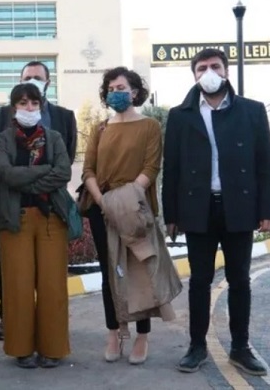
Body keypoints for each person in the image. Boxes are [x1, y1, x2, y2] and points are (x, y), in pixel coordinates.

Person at [162, 48, 270, 376]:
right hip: (197, 207)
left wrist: (268, 209)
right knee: (199, 281)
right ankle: (196, 346)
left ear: (226, 71)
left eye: (215, 66)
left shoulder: (251, 110)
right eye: (202, 68)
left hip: (238, 206)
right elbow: (172, 168)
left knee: (240, 279)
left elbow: (265, 163)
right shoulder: (180, 115)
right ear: (194, 75)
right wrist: (171, 216)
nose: (209, 72)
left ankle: (240, 347)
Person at [82, 66, 162, 365]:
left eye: (121, 88)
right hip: (102, 208)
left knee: (138, 272)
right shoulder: (100, 128)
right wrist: (104, 201)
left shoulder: (150, 126)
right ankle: (114, 332)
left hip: (135, 207)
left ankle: (142, 335)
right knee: (109, 273)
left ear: (135, 92)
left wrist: (125, 200)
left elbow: (151, 167)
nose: (116, 93)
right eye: (111, 89)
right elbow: (88, 170)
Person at [0, 60, 78, 340]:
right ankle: (17, 339)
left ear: (46, 87)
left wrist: (27, 180)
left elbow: (63, 171)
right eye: (22, 102)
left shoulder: (59, 127)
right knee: (16, 283)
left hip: (51, 213)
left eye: (34, 102)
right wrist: (43, 171)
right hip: (14, 214)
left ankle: (52, 344)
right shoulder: (3, 130)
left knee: (52, 284)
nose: (28, 107)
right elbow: (5, 173)